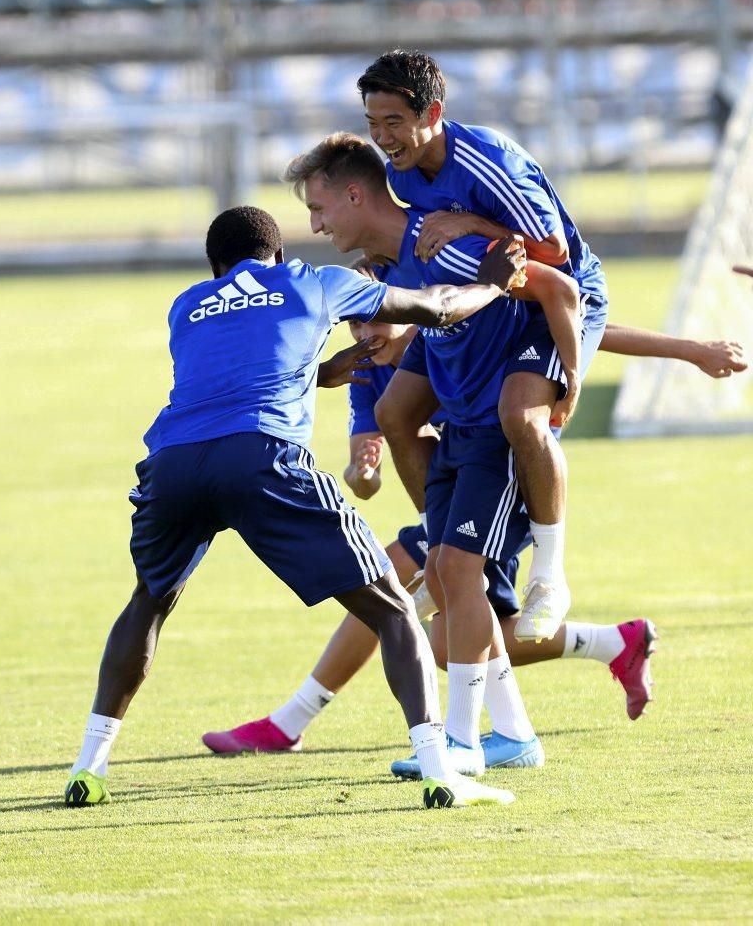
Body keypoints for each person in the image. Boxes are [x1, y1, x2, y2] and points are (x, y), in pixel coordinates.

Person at [64, 205, 528, 811]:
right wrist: (491, 282)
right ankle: (443, 773)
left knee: (148, 602)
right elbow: (434, 307)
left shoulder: (187, 306)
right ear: (278, 255)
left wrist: (316, 371)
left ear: (214, 265)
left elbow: (229, 379)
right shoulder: (312, 280)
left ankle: (89, 767)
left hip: (173, 461)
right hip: (261, 455)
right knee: (390, 608)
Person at [204, 267, 747, 764]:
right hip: (458, 490)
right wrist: (361, 475)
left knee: (386, 579)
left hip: (504, 475)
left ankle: (294, 722)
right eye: (353, 322)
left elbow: (589, 327)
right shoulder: (370, 373)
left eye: (377, 316)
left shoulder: (444, 327)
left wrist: (692, 350)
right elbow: (364, 467)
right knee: (448, 638)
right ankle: (601, 652)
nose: (366, 331)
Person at [268, 132, 580, 776]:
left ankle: (463, 742)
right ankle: (514, 735)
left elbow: (564, 290)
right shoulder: (392, 268)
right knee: (443, 573)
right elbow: (413, 353)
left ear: (356, 195)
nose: (315, 225)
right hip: (463, 436)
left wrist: (564, 386)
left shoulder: (440, 245)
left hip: (503, 439)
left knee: (457, 578)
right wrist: (334, 372)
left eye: (320, 209)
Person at [357, 49, 610, 641]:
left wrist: (475, 225)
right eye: (373, 123)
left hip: (558, 296)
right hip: (494, 296)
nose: (383, 137)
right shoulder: (400, 171)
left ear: (434, 112)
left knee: (522, 416)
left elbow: (556, 260)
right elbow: (440, 247)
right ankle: (435, 547)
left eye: (394, 121)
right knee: (394, 411)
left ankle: (548, 576)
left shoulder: (487, 161)